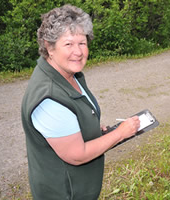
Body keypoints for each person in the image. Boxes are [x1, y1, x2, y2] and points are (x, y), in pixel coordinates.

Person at [21, 4, 140, 200]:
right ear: (49, 47)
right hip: (65, 193)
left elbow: (74, 115)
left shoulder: (67, 74)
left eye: (82, 43)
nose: (78, 52)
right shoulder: (49, 98)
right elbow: (77, 155)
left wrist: (89, 129)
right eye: (68, 44)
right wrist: (120, 133)